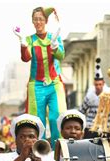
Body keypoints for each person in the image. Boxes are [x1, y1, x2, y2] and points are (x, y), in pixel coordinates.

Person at [14, 6, 66, 146]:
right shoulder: (30, 39)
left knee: (57, 117)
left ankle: (59, 151)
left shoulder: (54, 37)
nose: (38, 22)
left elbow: (61, 56)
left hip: (54, 83)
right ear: (32, 21)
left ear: (46, 21)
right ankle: (37, 151)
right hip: (36, 85)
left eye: (41, 19)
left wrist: (55, 45)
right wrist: (23, 44)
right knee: (37, 121)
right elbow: (26, 58)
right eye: (35, 19)